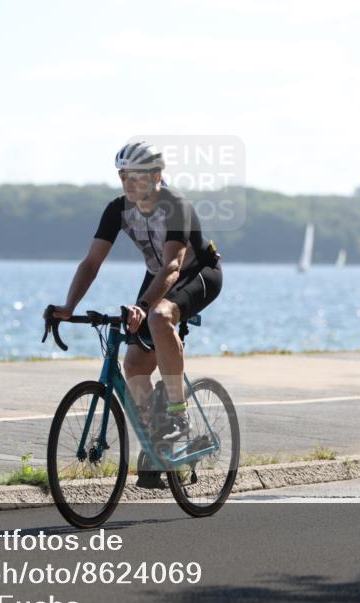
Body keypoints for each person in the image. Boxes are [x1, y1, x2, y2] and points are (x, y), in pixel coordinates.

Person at [46, 141, 222, 488]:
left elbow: (173, 265)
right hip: (157, 276)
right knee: (135, 366)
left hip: (196, 273)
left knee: (159, 317)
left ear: (157, 176)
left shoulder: (175, 206)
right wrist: (69, 307)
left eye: (137, 176)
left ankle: (177, 414)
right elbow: (92, 262)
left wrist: (143, 306)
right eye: (123, 175)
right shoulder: (117, 209)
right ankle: (160, 447)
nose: (128, 182)